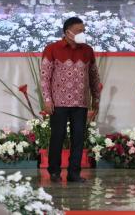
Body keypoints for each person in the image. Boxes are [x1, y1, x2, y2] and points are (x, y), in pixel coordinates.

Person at [41, 17, 101, 183]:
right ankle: (54, 172)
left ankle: (74, 173)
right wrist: (47, 99)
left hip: (81, 103)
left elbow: (94, 77)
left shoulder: (87, 50)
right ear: (67, 32)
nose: (82, 34)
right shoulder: (52, 49)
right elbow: (45, 78)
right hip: (58, 104)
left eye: (83, 30)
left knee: (78, 139)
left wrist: (96, 100)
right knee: (57, 137)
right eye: (79, 31)